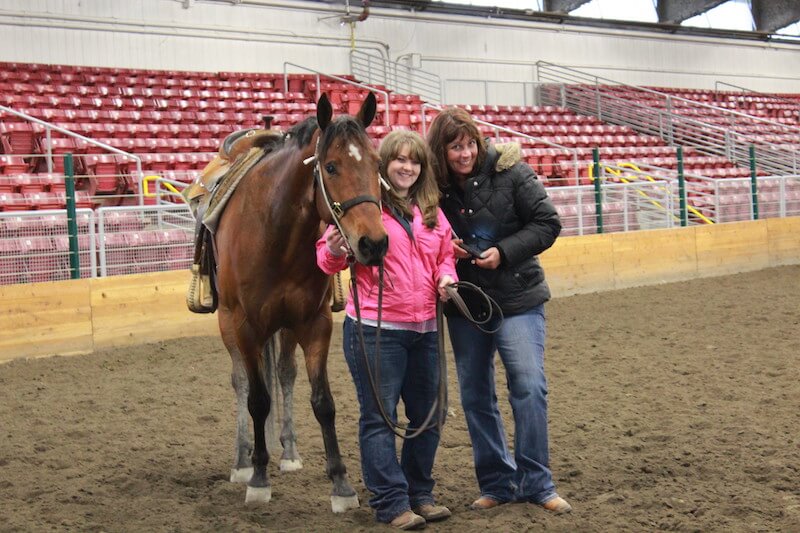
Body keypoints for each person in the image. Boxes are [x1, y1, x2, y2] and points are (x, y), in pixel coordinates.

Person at [426, 107, 572, 514]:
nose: (464, 154)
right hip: (466, 305)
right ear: (441, 150)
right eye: (455, 147)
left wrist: (504, 253)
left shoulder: (513, 172)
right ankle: (497, 482)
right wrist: (444, 251)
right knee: (476, 396)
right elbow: (420, 234)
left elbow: (547, 223)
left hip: (518, 298)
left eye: (469, 144)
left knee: (528, 386)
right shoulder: (431, 187)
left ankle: (537, 482)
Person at [316, 130, 457, 530]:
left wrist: (446, 278)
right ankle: (391, 502)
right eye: (399, 160)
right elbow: (326, 261)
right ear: (383, 166)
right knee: (379, 418)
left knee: (430, 415)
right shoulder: (363, 208)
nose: (407, 168)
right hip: (377, 331)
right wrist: (336, 250)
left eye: (414, 161)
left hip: (426, 328)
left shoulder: (430, 209)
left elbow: (444, 254)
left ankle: (419, 494)